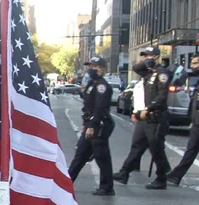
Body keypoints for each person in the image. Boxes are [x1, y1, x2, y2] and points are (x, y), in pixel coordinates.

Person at [113, 46, 171, 189]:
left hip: (156, 117)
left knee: (156, 148)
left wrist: (149, 108)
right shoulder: (148, 73)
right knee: (136, 146)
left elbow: (162, 96)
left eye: (150, 56)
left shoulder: (162, 73)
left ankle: (162, 177)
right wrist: (143, 62)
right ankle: (124, 172)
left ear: (156, 57)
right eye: (145, 56)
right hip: (144, 116)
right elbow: (136, 68)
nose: (147, 58)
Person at [68, 56, 115, 195]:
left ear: (101, 69)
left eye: (94, 66)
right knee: (80, 154)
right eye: (90, 66)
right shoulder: (92, 84)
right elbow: (87, 106)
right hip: (90, 123)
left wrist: (92, 126)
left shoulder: (102, 85)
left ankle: (107, 187)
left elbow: (99, 108)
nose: (91, 69)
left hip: (99, 125)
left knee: (102, 157)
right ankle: (67, 181)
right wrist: (86, 124)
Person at [167, 55, 199, 185]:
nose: (193, 66)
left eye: (196, 63)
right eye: (192, 63)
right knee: (191, 150)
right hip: (197, 121)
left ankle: (176, 175)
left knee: (191, 150)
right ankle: (176, 176)